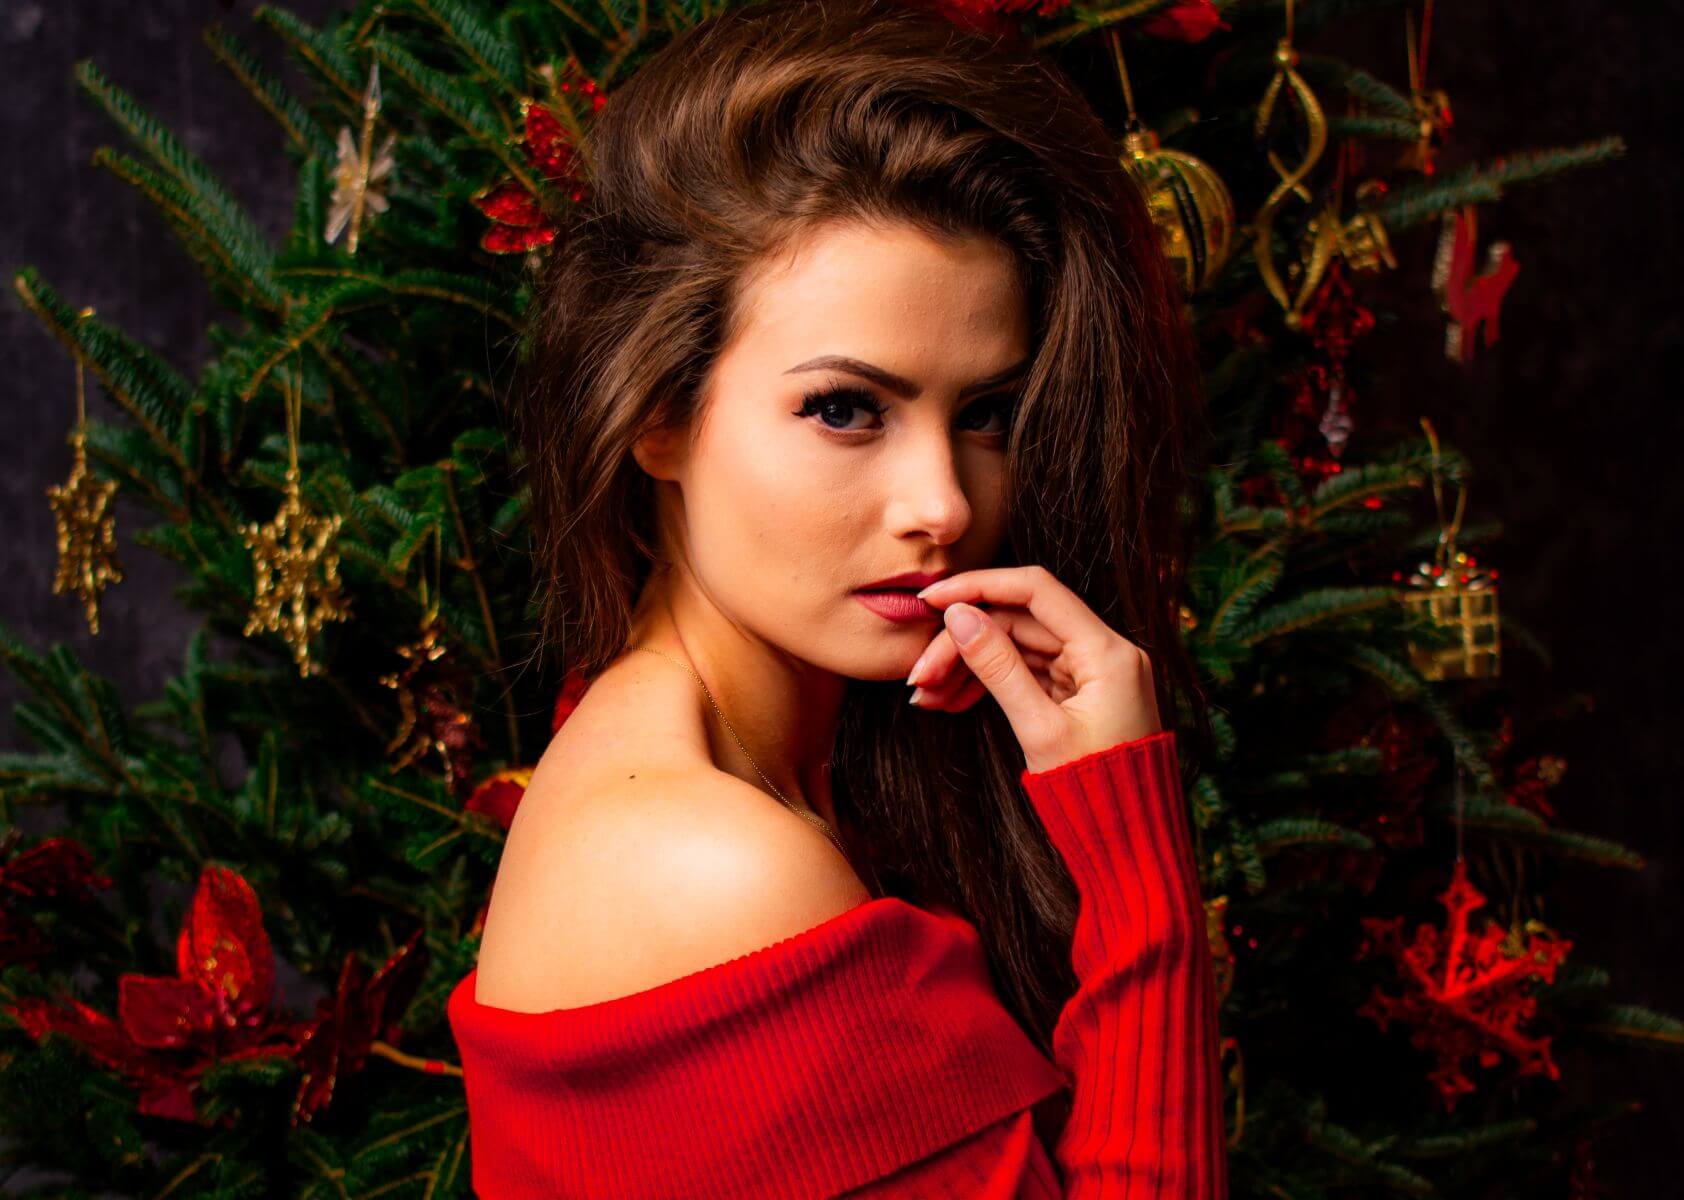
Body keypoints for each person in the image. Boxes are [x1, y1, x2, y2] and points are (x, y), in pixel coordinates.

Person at [446, 0, 1227, 1194]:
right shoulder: (714, 868)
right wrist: (1138, 874)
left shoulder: (744, 767)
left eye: (984, 416)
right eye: (845, 409)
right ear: (657, 414)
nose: (943, 506)